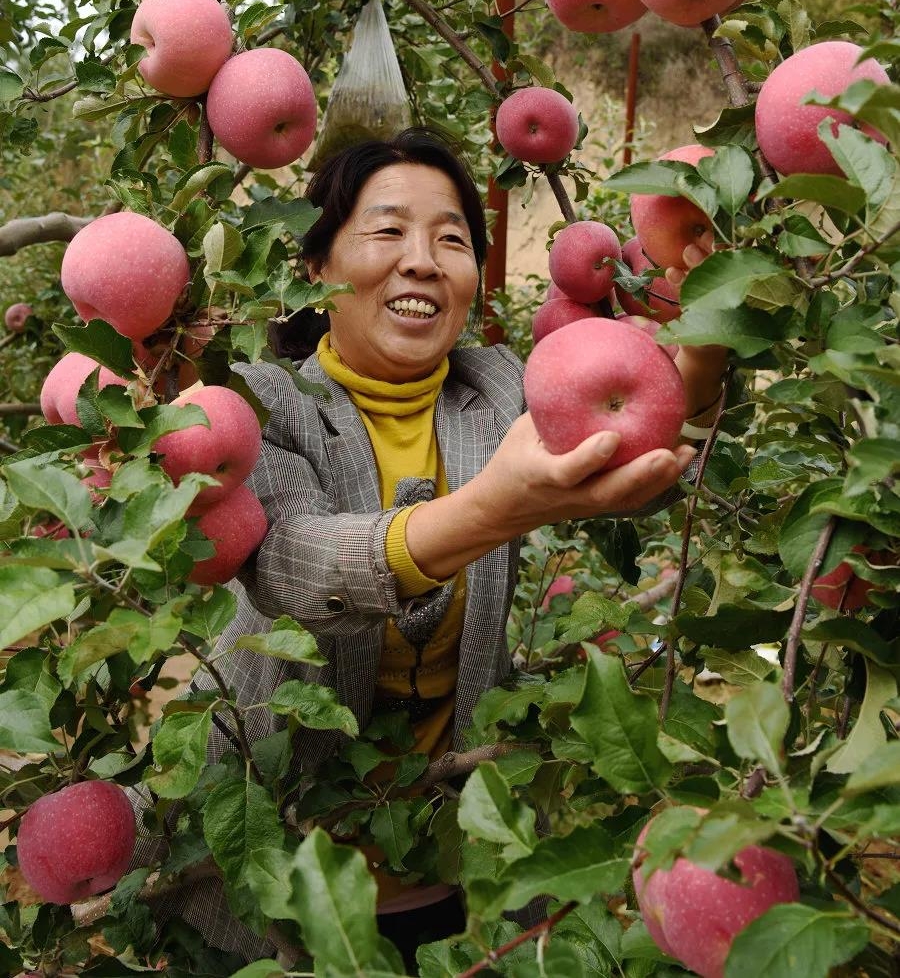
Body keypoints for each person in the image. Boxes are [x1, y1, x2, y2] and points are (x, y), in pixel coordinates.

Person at [165, 127, 729, 964]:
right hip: (279, 861)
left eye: (453, 239)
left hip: (456, 863)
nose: (423, 261)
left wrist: (706, 331)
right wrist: (493, 510)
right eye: (388, 230)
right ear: (315, 267)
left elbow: (640, 444)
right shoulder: (259, 404)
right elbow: (292, 565)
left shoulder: (498, 386)